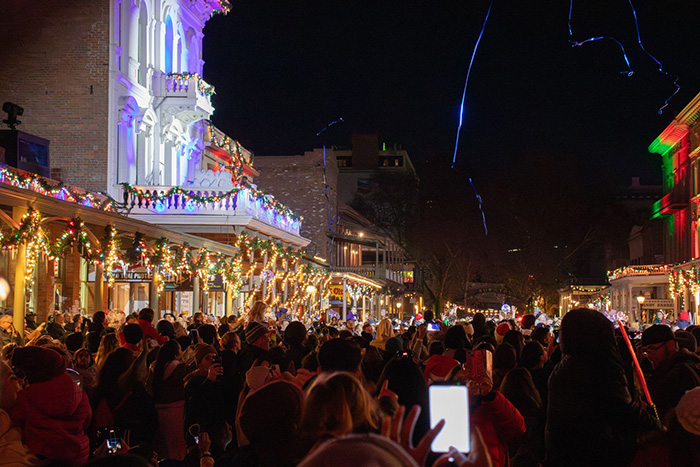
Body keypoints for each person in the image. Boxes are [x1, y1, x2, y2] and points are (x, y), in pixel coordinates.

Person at [547, 308, 656, 466]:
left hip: (567, 453)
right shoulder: (601, 367)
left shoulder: (565, 366)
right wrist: (656, 424)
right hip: (598, 452)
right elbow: (622, 410)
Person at [10, 346, 92, 465]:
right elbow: (86, 420)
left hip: (43, 456)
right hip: (77, 454)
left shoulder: (27, 396)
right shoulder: (78, 392)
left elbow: (16, 421)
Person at [642, 324, 700, 422]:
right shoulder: (666, 370)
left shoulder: (682, 372)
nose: (649, 356)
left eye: (652, 349)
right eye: (645, 352)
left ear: (670, 345)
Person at [150, 340, 188, 460]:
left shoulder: (156, 368)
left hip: (159, 411)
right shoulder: (180, 368)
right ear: (175, 354)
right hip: (177, 410)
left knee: (164, 446)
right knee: (177, 445)